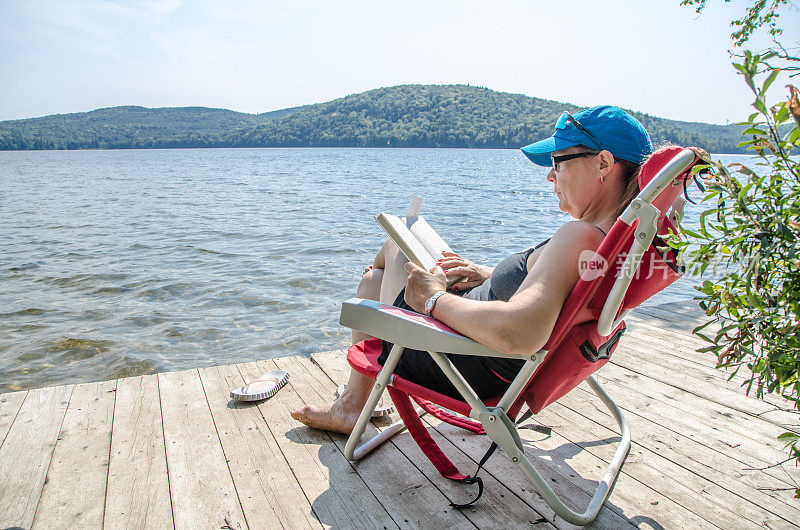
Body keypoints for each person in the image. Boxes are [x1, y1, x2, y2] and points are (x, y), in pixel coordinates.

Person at [291, 105, 652, 434]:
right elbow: (554, 288)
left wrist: (432, 298)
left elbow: (519, 333)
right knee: (374, 280)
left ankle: (353, 405)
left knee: (393, 246)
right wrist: (488, 275)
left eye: (558, 163)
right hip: (479, 352)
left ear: (603, 164)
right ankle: (353, 404)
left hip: (455, 360)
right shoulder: (613, 245)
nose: (550, 176)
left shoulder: (582, 237)